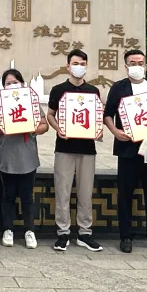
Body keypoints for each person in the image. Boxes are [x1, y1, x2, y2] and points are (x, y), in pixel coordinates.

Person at [103, 49, 147, 254]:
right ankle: (126, 236)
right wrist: (115, 131)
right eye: (132, 63)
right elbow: (108, 115)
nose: (137, 66)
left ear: (146, 66)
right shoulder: (119, 88)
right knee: (125, 194)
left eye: (140, 63)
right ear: (126, 66)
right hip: (128, 150)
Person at [47, 49, 103, 252]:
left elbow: (97, 117)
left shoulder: (93, 91)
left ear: (86, 66)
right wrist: (58, 129)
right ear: (68, 66)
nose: (79, 67)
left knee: (85, 193)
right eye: (75, 63)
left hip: (87, 149)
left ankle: (85, 233)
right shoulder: (58, 89)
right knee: (62, 191)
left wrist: (98, 130)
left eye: (82, 64)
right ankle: (63, 233)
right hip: (64, 147)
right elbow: (50, 115)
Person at [0, 68, 47, 249]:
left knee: (27, 196)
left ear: (22, 83)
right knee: (8, 196)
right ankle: (8, 230)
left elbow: (44, 125)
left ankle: (29, 231)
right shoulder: (0, 103)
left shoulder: (30, 101)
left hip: (27, 155)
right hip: (7, 155)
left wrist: (33, 128)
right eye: (8, 83)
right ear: (3, 86)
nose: (12, 85)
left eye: (15, 82)